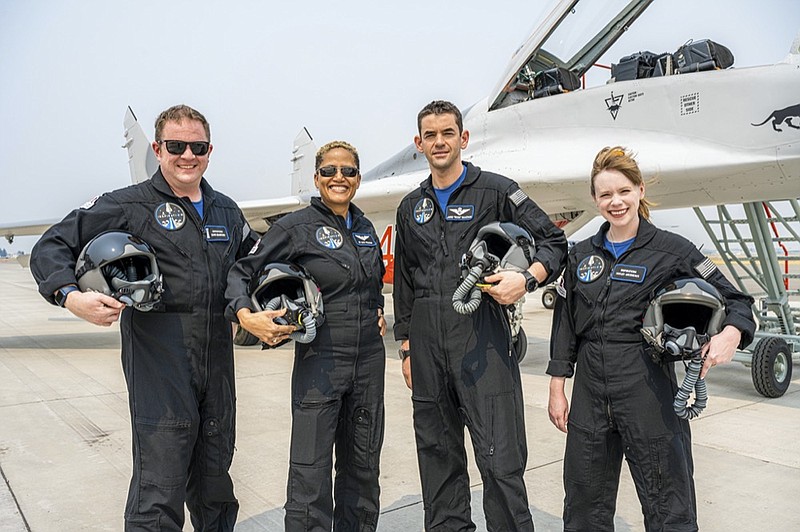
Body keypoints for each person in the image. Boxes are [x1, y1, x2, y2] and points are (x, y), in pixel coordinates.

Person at [30, 104, 260, 531]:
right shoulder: (128, 204)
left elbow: (254, 265)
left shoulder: (228, 212)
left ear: (210, 150)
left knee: (215, 482)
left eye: (198, 146)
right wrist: (70, 296)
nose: (187, 156)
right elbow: (52, 244)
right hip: (160, 359)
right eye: (176, 146)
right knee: (161, 485)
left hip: (218, 362)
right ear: (157, 148)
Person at [547, 146, 756, 532]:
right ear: (595, 200)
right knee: (582, 505)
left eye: (623, 191)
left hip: (647, 387)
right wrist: (558, 386)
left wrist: (732, 332)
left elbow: (738, 300)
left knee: (667, 503)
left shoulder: (672, 250)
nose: (615, 201)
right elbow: (565, 323)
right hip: (589, 389)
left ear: (640, 190)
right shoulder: (579, 256)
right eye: (606, 194)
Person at [393, 100, 568, 531]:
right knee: (437, 457)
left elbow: (553, 243)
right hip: (428, 346)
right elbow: (405, 282)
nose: (439, 142)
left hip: (482, 341)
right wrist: (407, 348)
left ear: (463, 138)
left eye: (447, 133)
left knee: (500, 457)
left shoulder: (495, 190)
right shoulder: (410, 207)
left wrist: (527, 280)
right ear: (419, 143)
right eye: (430, 135)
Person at [225, 141, 387, 531]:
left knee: (362, 466)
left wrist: (377, 308)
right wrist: (247, 315)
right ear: (316, 178)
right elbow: (241, 272)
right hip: (321, 361)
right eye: (329, 171)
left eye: (348, 171)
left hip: (368, 362)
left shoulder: (364, 228)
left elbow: (371, 284)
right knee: (310, 471)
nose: (339, 178)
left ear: (358, 179)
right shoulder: (295, 227)